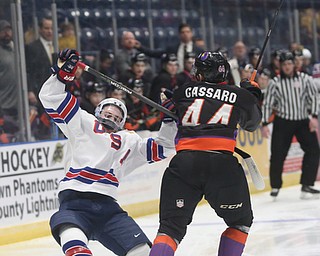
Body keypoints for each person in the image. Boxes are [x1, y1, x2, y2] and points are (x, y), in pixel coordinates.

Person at [38, 49, 177, 256]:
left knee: (143, 252)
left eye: (118, 113)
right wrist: (63, 74)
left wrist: (170, 120)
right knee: (70, 234)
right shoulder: (82, 122)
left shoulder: (130, 140)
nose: (111, 112)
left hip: (108, 209)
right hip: (75, 201)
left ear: (122, 122)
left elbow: (163, 147)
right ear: (97, 112)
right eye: (106, 109)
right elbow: (51, 97)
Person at [149, 51, 262, 256]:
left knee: (170, 229)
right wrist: (252, 95)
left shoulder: (183, 90)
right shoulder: (240, 95)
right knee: (240, 223)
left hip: (184, 165)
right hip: (222, 166)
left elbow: (173, 105)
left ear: (201, 74)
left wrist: (169, 103)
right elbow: (252, 124)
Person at [261, 50, 320, 200]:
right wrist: (264, 123)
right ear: (280, 66)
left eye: (289, 64)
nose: (287, 67)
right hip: (283, 121)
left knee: (313, 150)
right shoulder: (275, 82)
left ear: (294, 65)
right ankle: (275, 186)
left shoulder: (305, 79)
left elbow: (313, 98)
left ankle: (307, 184)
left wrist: (314, 117)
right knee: (278, 154)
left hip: (302, 120)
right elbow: (268, 103)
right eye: (284, 64)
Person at [25, 15, 54, 140]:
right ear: (40, 29)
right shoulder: (32, 47)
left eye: (51, 28)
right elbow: (29, 71)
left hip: (53, 91)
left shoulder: (55, 45)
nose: (49, 31)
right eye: (46, 28)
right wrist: (30, 90)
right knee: (42, 123)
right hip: (39, 91)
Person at [0, 20, 18, 120]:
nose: (7, 33)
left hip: (18, 102)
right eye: (3, 31)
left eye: (8, 30)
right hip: (3, 103)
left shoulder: (16, 48)